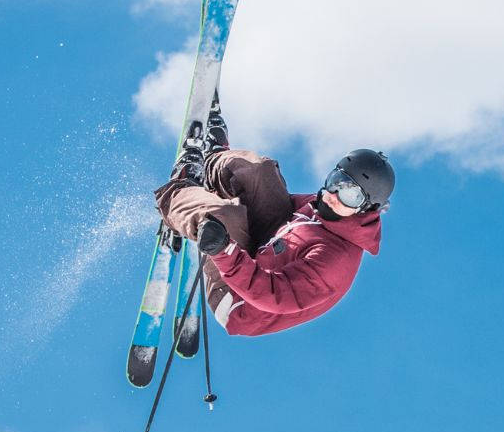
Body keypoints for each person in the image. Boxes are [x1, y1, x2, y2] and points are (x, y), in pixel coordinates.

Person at [154, 113, 393, 337]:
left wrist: (223, 249)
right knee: (261, 172)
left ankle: (178, 193)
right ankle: (212, 161)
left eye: (351, 196)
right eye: (337, 180)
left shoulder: (333, 264)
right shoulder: (324, 206)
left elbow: (272, 294)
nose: (334, 194)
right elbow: (270, 198)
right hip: (267, 244)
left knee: (224, 217)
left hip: (242, 299)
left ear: (366, 209)